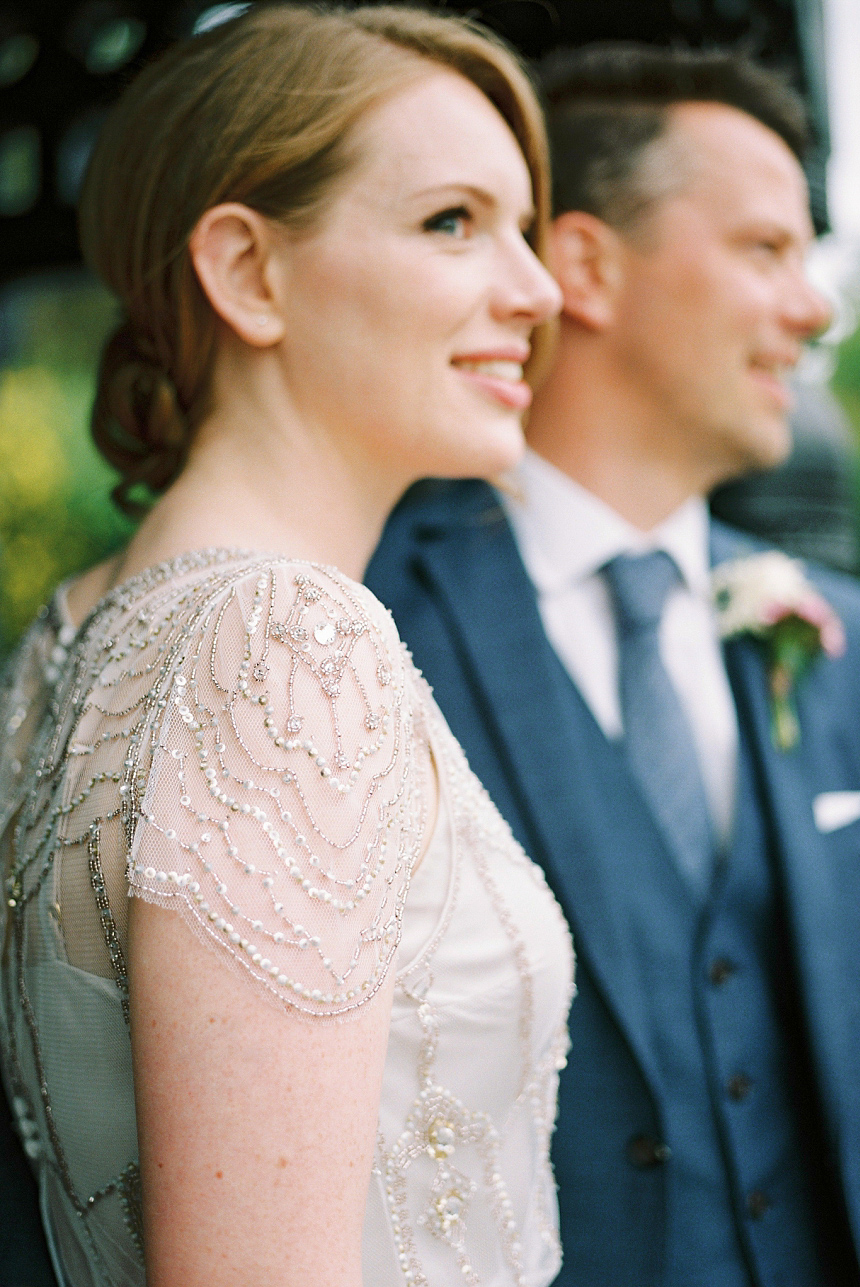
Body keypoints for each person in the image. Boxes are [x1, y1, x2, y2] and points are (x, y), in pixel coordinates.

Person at [0, 7, 574, 1286]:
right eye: (453, 222)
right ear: (249, 272)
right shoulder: (283, 646)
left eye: (524, 229)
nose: (537, 290)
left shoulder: (68, 635)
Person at [367, 43, 860, 1287]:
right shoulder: (367, 628)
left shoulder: (838, 646)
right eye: (766, 251)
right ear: (585, 265)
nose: (813, 306)